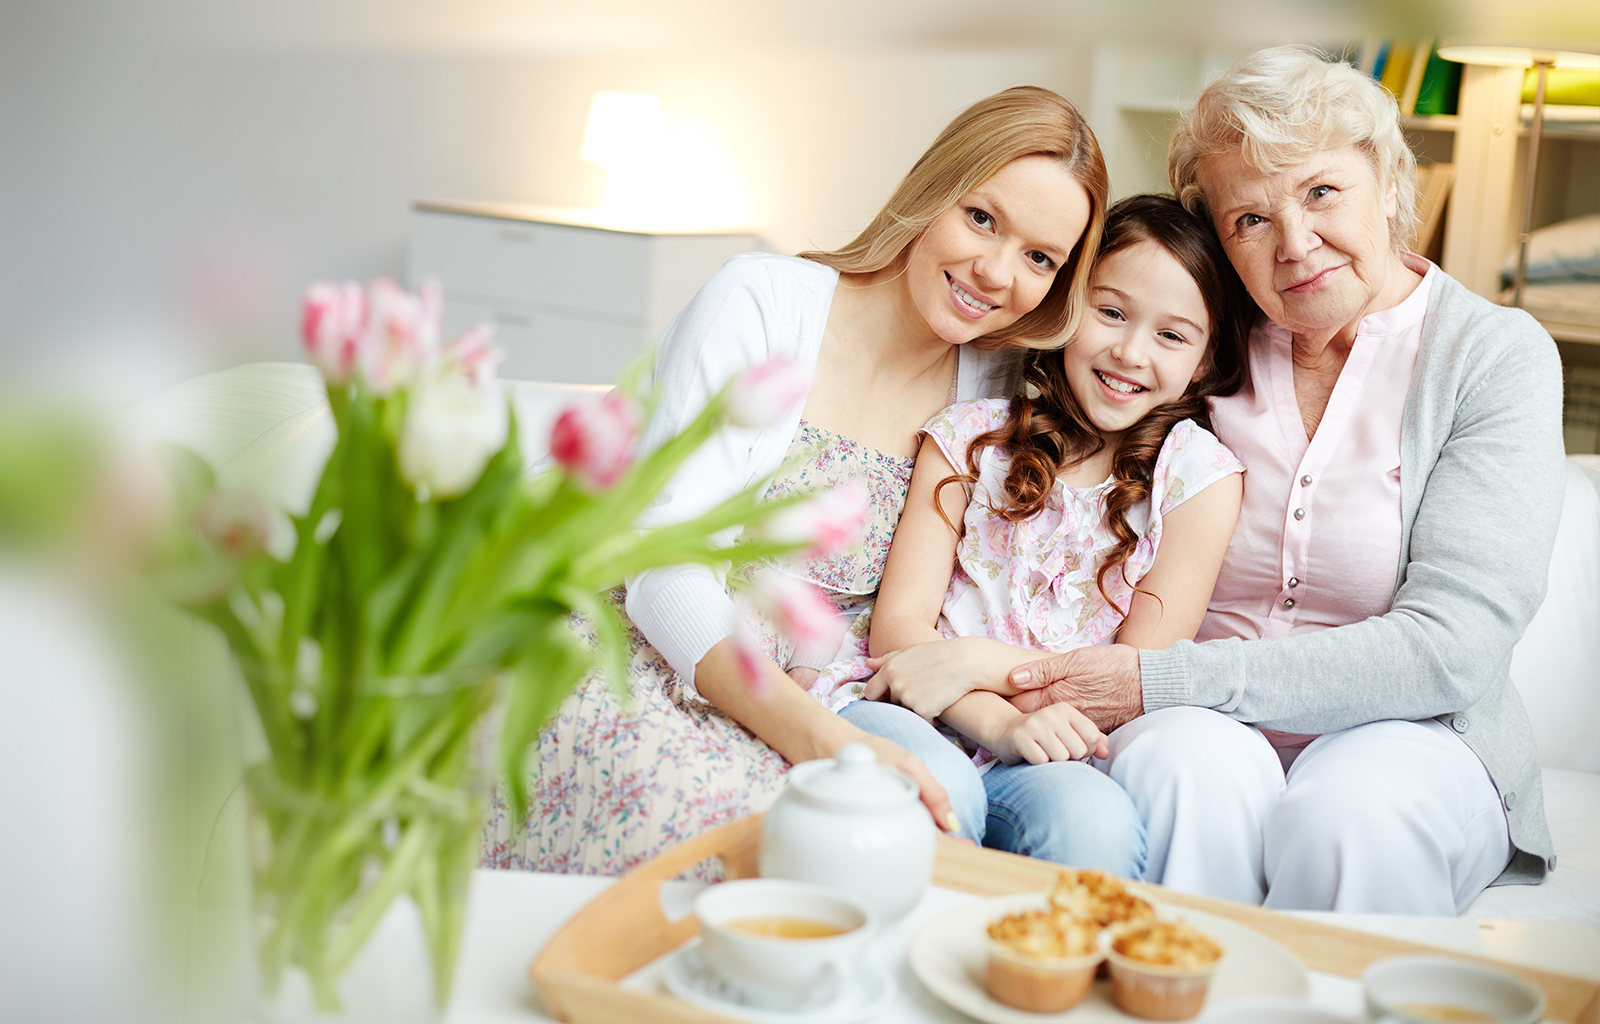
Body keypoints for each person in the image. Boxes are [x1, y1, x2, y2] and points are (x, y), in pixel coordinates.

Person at [481, 85, 1110, 875]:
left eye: (1040, 258)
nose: (995, 272)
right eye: (982, 218)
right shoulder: (764, 302)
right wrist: (825, 739)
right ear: (933, 192)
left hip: (828, 684)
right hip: (648, 636)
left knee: (880, 843)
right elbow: (663, 572)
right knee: (729, 834)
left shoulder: (998, 386)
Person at [997, 47, 1565, 914]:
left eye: (1321, 192)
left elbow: (1452, 648)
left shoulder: (1493, 355)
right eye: (1249, 220)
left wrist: (1160, 681)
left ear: (1386, 180)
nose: (1295, 244)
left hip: (1411, 729)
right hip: (1198, 719)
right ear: (1219, 241)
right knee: (1181, 774)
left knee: (1353, 816)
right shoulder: (1199, 338)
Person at [822, 195, 1251, 877]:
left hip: (1057, 742)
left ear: (1204, 360)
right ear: (1068, 307)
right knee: (938, 786)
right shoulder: (971, 435)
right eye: (1110, 312)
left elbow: (1134, 674)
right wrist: (992, 716)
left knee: (1094, 827)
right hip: (917, 706)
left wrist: (972, 660)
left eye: (1172, 336)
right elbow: (900, 629)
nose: (1129, 352)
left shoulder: (1197, 478)